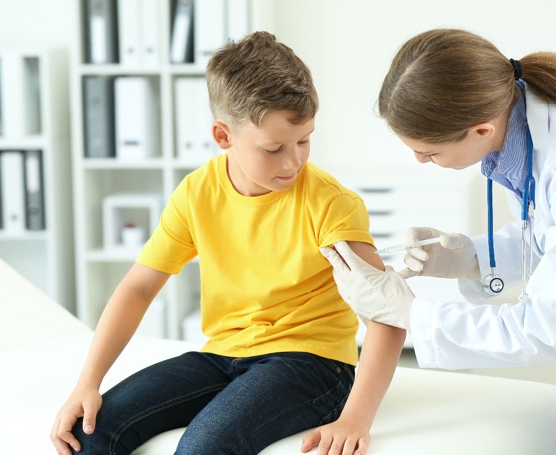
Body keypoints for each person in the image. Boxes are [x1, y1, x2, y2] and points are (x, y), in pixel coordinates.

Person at [50, 31, 405, 455]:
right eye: (274, 148)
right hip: (222, 355)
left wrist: (354, 419)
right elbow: (138, 287)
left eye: (304, 141)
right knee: (90, 432)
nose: (293, 162)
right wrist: (87, 383)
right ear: (223, 136)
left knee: (203, 447)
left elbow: (385, 316)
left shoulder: (333, 204)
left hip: (312, 362)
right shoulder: (196, 193)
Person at [321, 28, 556, 455]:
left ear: (480, 130)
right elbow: (555, 237)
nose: (419, 162)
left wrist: (412, 314)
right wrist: (468, 258)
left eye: (428, 153)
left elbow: (543, 331)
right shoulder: (519, 132)